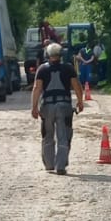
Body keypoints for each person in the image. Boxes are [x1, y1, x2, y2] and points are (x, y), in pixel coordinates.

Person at [30, 41, 83, 173]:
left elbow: (37, 88)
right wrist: (80, 101)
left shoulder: (42, 69)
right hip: (64, 106)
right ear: (61, 54)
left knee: (47, 135)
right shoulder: (68, 68)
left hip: (47, 107)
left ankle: (49, 164)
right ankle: (60, 165)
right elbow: (76, 85)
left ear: (47, 55)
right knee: (63, 135)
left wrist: (34, 107)